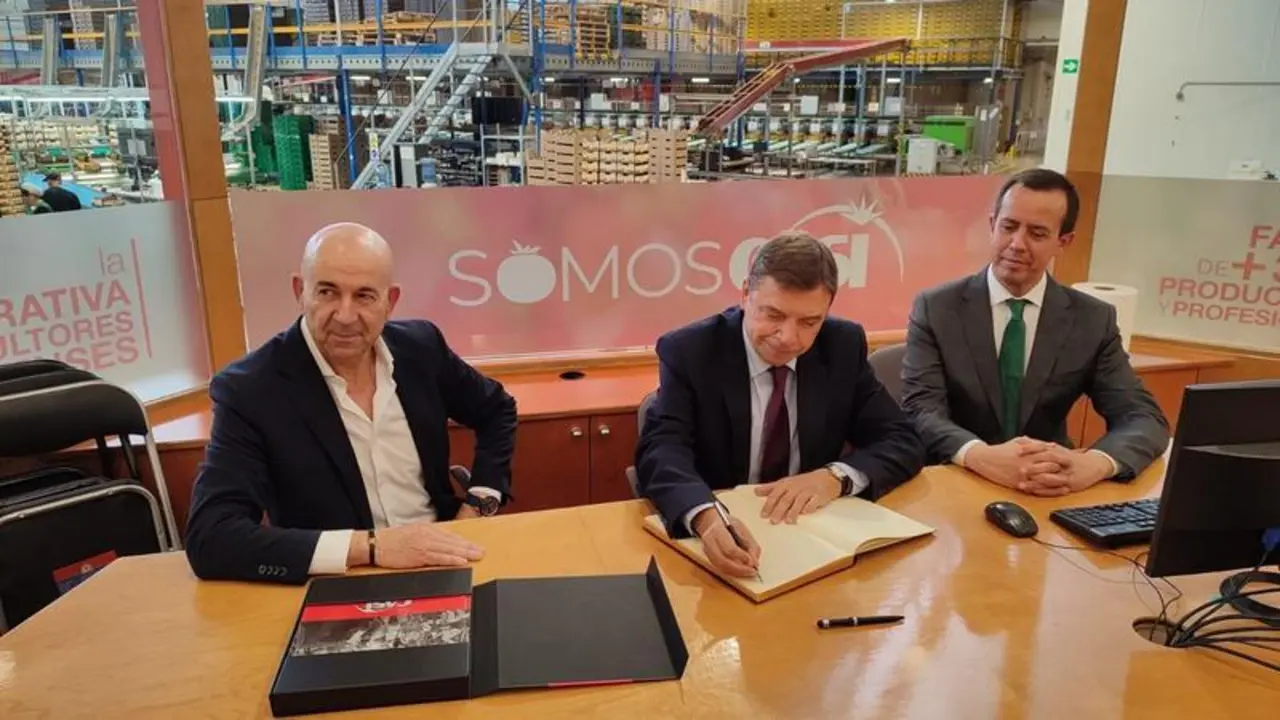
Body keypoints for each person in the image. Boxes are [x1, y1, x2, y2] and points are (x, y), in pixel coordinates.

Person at [185, 223, 517, 584]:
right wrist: (370, 547)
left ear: (390, 302)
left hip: (446, 559)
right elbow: (211, 539)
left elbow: (497, 410)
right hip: (339, 579)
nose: (345, 316)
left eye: (364, 296)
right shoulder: (250, 389)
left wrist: (480, 502)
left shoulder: (422, 348)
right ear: (300, 291)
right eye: (327, 292)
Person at [635, 232, 925, 579]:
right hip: (724, 535)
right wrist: (705, 516)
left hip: (812, 534)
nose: (789, 337)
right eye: (773, 315)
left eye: (809, 322)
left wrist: (834, 478)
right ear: (746, 294)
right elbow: (661, 450)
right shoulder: (691, 351)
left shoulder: (841, 345)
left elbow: (901, 439)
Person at [900, 168, 1169, 497]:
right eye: (1009, 226)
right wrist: (981, 456)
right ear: (992, 225)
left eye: (1037, 234)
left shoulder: (1092, 319)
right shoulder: (937, 308)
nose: (1017, 244)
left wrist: (1095, 463)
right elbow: (920, 410)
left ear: (1063, 242)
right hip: (956, 483)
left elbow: (1144, 418)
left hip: (1048, 487)